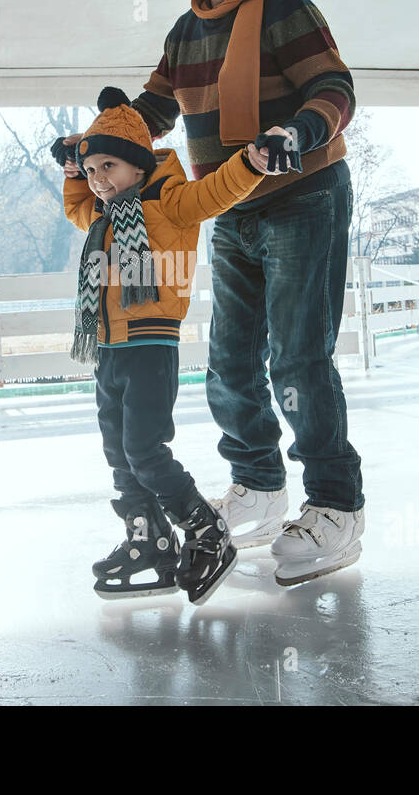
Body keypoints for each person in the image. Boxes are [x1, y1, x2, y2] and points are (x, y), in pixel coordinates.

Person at [59, 0, 365, 587]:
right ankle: (257, 484)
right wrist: (88, 146)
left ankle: (337, 504)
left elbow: (334, 87)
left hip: (301, 195)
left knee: (296, 359)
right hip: (231, 207)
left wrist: (299, 131)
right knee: (229, 362)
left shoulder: (286, 9)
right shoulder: (185, 31)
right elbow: (149, 114)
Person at [55, 85, 272, 604]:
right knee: (119, 454)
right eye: (91, 172)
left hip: (151, 347)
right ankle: (147, 539)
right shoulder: (103, 217)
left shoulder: (170, 205)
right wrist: (72, 173)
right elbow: (75, 209)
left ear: (137, 164)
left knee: (145, 450)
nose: (98, 181)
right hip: (109, 350)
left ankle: (204, 529)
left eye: (108, 167)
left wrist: (253, 161)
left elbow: (217, 190)